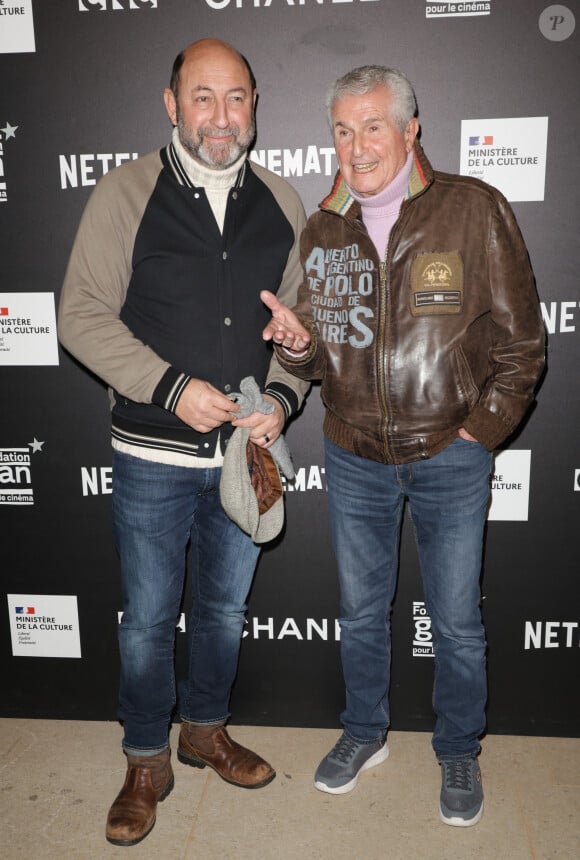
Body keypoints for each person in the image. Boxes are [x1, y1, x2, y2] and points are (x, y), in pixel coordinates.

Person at [261, 65, 545, 827]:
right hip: (353, 455)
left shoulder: (475, 210)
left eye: (373, 126)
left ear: (411, 129)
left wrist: (475, 437)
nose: (356, 147)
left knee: (455, 619)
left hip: (449, 457)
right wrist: (294, 347)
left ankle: (457, 747)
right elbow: (323, 356)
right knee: (359, 612)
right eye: (343, 131)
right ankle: (364, 733)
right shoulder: (324, 226)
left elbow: (523, 349)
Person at [58, 38, 308, 847]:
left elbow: (302, 336)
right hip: (151, 460)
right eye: (202, 98)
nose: (221, 115)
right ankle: (144, 759)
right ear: (172, 106)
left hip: (245, 458)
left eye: (236, 98)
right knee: (147, 621)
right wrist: (170, 387)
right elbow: (80, 316)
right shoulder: (125, 193)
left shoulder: (284, 200)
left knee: (225, 612)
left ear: (256, 105)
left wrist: (282, 391)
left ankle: (203, 731)